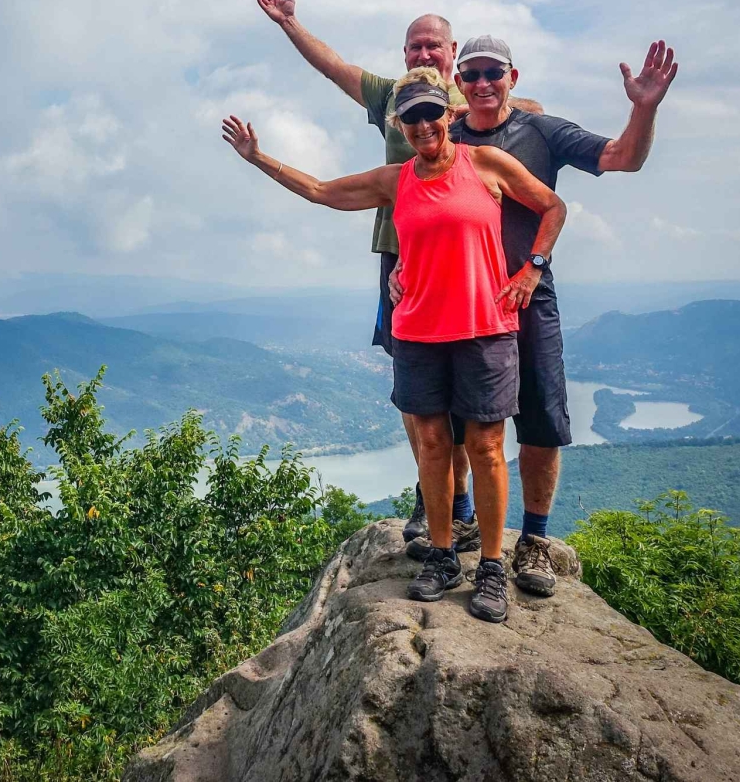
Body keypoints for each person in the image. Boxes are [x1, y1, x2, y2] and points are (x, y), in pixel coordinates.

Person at [220, 68, 567, 624]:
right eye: (412, 117)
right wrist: (258, 157)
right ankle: (443, 555)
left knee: (484, 446)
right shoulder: (396, 179)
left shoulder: (485, 164)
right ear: (400, 126)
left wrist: (532, 268)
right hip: (419, 330)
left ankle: (492, 567)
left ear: (448, 114)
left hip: (484, 326)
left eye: (431, 112)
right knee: (432, 443)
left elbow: (552, 206)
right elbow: (322, 192)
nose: (424, 125)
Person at [254, 0, 544, 554]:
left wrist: (487, 105)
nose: (423, 53)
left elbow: (524, 114)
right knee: (418, 396)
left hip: (467, 261)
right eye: (415, 46)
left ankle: (471, 522)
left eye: (434, 45)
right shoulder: (393, 95)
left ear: (452, 53)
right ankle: (438, 498)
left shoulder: (472, 100)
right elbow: (334, 69)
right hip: (402, 252)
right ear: (404, 54)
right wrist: (289, 24)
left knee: (476, 408)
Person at [394, 34, 678, 597]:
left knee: (542, 418)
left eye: (492, 73)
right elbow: (422, 207)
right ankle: (462, 521)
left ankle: (534, 541)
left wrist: (643, 108)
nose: (482, 83)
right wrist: (405, 263)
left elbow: (623, 158)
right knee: (457, 425)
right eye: (471, 74)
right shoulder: (443, 135)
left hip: (527, 296)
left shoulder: (541, 131)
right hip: (463, 305)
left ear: (512, 77)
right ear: (458, 84)